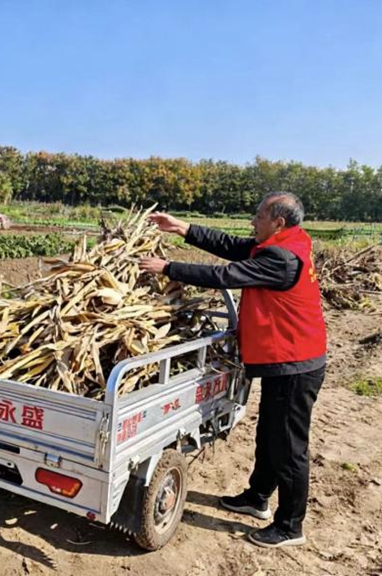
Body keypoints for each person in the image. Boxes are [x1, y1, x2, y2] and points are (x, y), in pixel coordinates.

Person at [139, 191, 327, 548]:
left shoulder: (282, 258)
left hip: (295, 365)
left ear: (278, 222)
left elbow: (225, 275)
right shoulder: (283, 242)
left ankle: (290, 526)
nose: (252, 222)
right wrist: (182, 228)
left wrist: (168, 268)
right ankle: (257, 497)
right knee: (270, 433)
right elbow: (232, 246)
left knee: (289, 447)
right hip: (284, 360)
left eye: (259, 216)